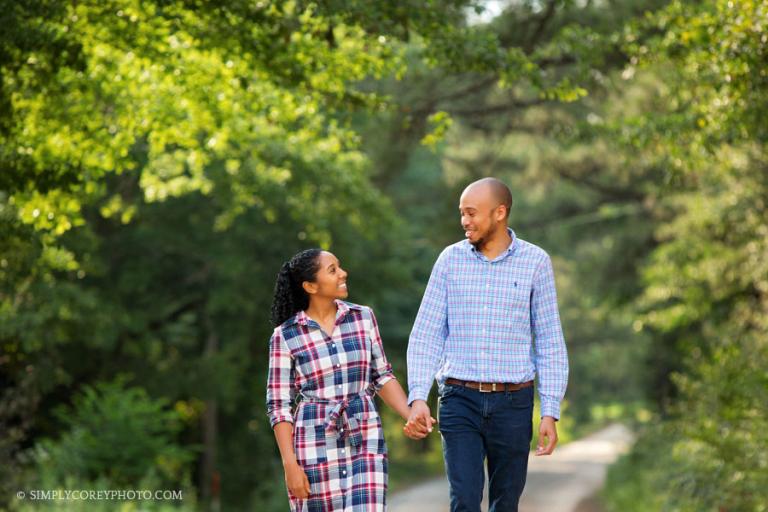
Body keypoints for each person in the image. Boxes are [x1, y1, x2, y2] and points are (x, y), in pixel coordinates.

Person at [403, 177, 569, 512]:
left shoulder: (536, 262)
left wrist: (550, 410)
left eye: (471, 213)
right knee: (464, 500)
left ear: (500, 213)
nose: (464, 221)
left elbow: (550, 339)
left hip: (514, 403)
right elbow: (426, 333)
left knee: (505, 503)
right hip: (459, 398)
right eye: (462, 213)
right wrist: (418, 396)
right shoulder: (450, 261)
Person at [266, 248, 416, 511]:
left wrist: (410, 415)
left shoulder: (363, 317)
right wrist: (290, 464)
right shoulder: (285, 336)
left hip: (364, 434)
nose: (343, 273)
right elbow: (279, 406)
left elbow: (381, 376)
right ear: (310, 285)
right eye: (332, 270)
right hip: (314, 442)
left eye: (340, 266)